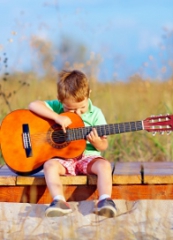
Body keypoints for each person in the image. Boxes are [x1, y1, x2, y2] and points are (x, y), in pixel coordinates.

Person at [28, 70, 117, 218]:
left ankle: (105, 200)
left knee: (104, 166)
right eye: (70, 109)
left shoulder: (96, 113)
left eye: (82, 108)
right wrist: (57, 117)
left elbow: (104, 145)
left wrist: (96, 142)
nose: (77, 113)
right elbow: (33, 105)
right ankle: (59, 200)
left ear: (89, 94)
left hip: (87, 158)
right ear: (60, 100)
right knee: (49, 166)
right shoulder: (57, 107)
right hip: (64, 160)